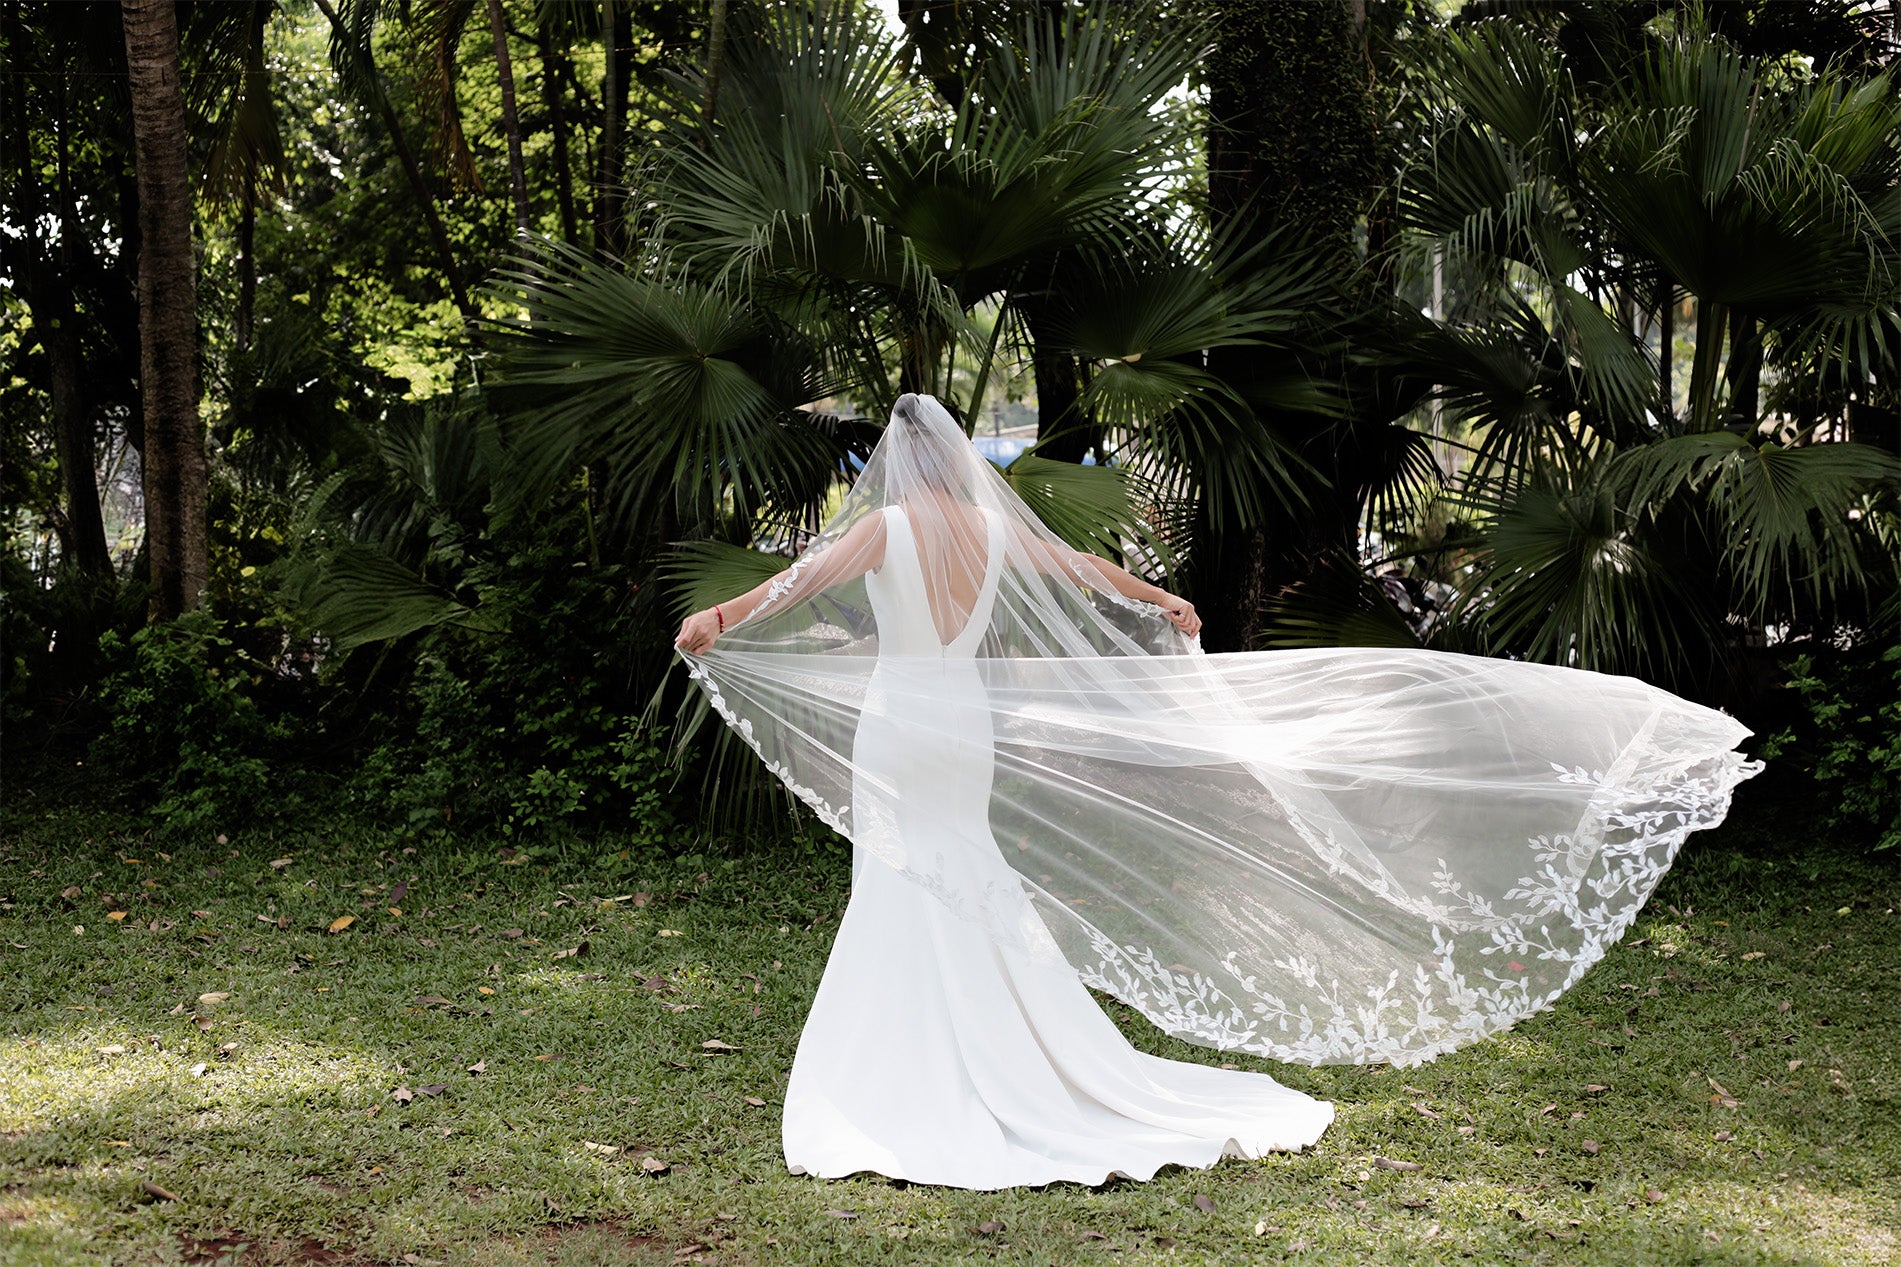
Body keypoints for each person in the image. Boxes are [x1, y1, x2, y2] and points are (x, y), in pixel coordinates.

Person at [674, 393, 1759, 1190]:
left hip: (903, 728)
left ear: (894, 469)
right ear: (958, 462)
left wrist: (718, 619)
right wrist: (1161, 597)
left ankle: (917, 1067)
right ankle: (1008, 1051)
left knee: (907, 875)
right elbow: (1085, 575)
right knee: (959, 867)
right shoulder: (994, 534)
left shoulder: (885, 530)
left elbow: (797, 582)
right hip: (963, 732)